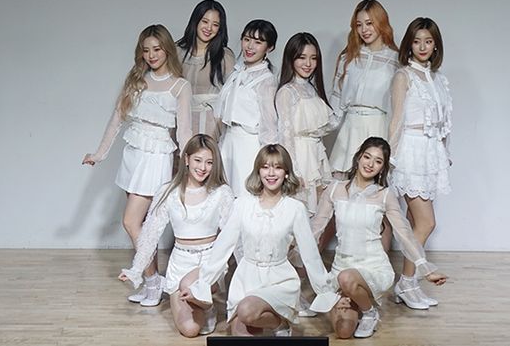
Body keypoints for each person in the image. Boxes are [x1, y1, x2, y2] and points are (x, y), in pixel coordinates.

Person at [82, 25, 192, 306]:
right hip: (133, 154)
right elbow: (116, 119)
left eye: (157, 49)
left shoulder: (180, 86)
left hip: (156, 156)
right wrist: (100, 154)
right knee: (142, 226)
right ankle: (151, 281)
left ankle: (154, 281)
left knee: (131, 222)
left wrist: (189, 167)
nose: (151, 55)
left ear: (167, 50)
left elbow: (184, 132)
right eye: (146, 50)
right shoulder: (136, 80)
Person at [181, 144, 337, 337]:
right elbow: (223, 246)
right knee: (239, 332)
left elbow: (310, 254)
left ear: (286, 173)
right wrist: (202, 285)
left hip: (279, 280)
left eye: (277, 167)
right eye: (265, 167)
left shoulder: (295, 208)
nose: (271, 173)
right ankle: (274, 322)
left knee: (247, 311)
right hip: (246, 279)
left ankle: (280, 323)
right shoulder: (242, 204)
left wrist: (325, 290)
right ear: (258, 171)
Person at [310, 137, 447, 338]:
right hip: (341, 268)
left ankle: (369, 312)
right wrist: (293, 253)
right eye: (367, 157)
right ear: (358, 157)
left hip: (373, 268)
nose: (370, 164)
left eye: (378, 161)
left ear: (382, 168)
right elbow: (316, 228)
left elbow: (404, 234)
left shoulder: (384, 195)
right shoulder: (334, 189)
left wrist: (425, 269)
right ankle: (354, 297)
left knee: (347, 278)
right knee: (343, 332)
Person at [118, 134, 234, 337]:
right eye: (198, 160)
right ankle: (205, 305)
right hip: (180, 262)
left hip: (210, 262)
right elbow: (150, 234)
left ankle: (207, 297)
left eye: (209, 162)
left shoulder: (221, 192)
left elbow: (232, 235)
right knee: (189, 330)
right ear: (186, 159)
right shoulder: (168, 191)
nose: (203, 167)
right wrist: (136, 269)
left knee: (187, 284)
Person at [389, 17, 452, 309]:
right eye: (416, 41)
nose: (422, 47)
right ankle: (406, 283)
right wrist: (390, 158)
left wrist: (444, 153)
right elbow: (396, 120)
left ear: (435, 44)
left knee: (417, 222)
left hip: (431, 153)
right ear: (409, 45)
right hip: (410, 152)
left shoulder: (438, 79)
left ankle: (409, 285)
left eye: (428, 41)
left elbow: (443, 123)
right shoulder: (403, 76)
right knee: (427, 222)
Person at [327, 0, 400, 250]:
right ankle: (324, 263)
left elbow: (399, 108)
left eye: (370, 23)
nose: (364, 29)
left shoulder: (396, 60)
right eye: (359, 25)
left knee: (381, 204)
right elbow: (336, 102)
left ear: (382, 23)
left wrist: (395, 147)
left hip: (379, 128)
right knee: (338, 199)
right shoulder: (348, 58)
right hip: (350, 130)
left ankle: (381, 266)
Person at [275, 32, 339, 215]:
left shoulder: (311, 88)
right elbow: (285, 135)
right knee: (299, 211)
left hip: (316, 154)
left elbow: (330, 122)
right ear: (291, 58)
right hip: (300, 157)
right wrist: (293, 170)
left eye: (313, 58)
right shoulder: (287, 92)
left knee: (319, 213)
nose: (308, 64)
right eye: (302, 57)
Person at [215, 20, 279, 197]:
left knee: (244, 198)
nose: (250, 46)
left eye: (258, 42)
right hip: (228, 141)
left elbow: (269, 124)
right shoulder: (237, 72)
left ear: (269, 48)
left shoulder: (267, 81)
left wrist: (268, 162)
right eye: (247, 39)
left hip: (248, 147)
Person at [176, 0, 236, 140]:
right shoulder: (176, 51)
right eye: (205, 21)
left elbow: (232, 96)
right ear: (195, 21)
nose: (209, 28)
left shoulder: (225, 55)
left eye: (215, 25)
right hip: (181, 121)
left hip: (212, 124)